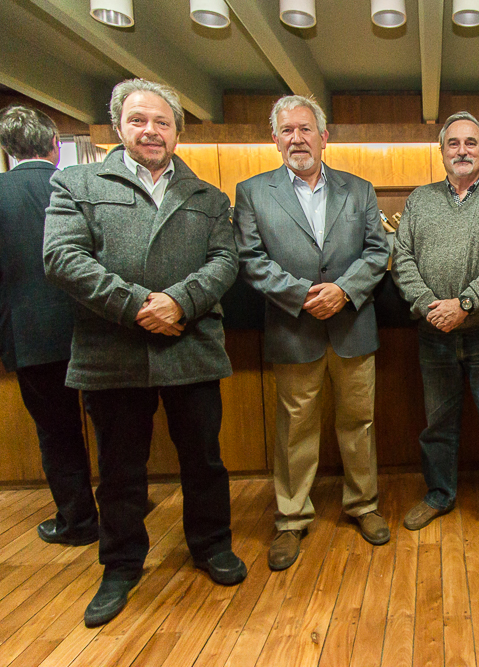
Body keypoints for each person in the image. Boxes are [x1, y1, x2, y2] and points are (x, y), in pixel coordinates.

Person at [44, 78, 247, 628]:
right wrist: (137, 305)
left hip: (191, 347)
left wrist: (179, 302)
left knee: (203, 459)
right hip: (113, 351)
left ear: (178, 131)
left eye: (162, 122)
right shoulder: (77, 182)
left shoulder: (208, 196)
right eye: (139, 120)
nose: (151, 131)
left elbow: (225, 262)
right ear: (119, 126)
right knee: (119, 468)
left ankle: (211, 545)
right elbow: (62, 257)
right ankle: (120, 564)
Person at [234, 95, 390, 569]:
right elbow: (251, 259)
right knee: (294, 428)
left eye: (306, 129)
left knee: (358, 423)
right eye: (287, 130)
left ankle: (363, 505)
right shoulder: (253, 192)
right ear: (274, 139)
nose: (297, 138)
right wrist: (304, 294)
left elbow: (378, 251)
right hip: (292, 328)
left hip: (353, 327)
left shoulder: (358, 189)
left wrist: (342, 291)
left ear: (324, 137)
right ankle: (290, 520)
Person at [393, 111, 479, 548]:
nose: (462, 150)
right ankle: (439, 495)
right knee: (437, 424)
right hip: (434, 332)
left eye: (471, 143)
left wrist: (465, 304)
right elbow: (403, 258)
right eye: (454, 143)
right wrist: (431, 307)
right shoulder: (420, 199)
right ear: (442, 151)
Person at [0, 105, 99, 547]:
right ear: (56, 147)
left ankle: (78, 522)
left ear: (6, 150)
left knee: (57, 434)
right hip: (96, 327)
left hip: (30, 335)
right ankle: (122, 507)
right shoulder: (84, 187)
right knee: (114, 426)